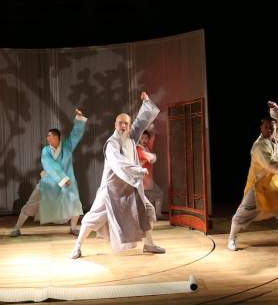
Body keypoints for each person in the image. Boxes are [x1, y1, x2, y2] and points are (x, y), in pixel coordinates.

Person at [71, 92, 164, 259]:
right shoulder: (112, 144)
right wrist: (138, 171)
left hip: (130, 187)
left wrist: (146, 102)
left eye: (126, 123)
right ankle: (77, 246)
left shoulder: (131, 136)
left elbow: (141, 122)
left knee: (147, 210)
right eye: (120, 123)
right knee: (93, 218)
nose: (123, 126)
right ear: (115, 125)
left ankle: (149, 244)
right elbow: (119, 163)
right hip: (112, 190)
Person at [227, 101, 278, 251]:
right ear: (261, 128)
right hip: (259, 184)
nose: (270, 129)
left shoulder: (277, 137)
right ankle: (232, 238)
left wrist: (276, 109)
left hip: (277, 181)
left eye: (272, 127)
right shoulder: (259, 145)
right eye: (266, 127)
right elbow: (269, 162)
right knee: (245, 211)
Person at [10, 108, 87, 237]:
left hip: (68, 181)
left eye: (50, 136)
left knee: (74, 202)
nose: (48, 138)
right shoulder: (46, 150)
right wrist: (62, 178)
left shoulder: (67, 146)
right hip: (49, 182)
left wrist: (79, 118)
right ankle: (17, 227)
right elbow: (49, 165)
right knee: (32, 203)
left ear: (57, 137)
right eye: (47, 136)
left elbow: (76, 134)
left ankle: (73, 227)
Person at [137, 126, 164, 219]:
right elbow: (149, 158)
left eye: (146, 138)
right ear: (139, 139)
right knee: (154, 197)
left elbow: (152, 135)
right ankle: (155, 216)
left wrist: (149, 126)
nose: (144, 140)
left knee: (157, 196)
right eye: (142, 138)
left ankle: (156, 215)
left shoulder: (147, 147)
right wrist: (149, 158)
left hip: (148, 180)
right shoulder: (138, 148)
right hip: (143, 180)